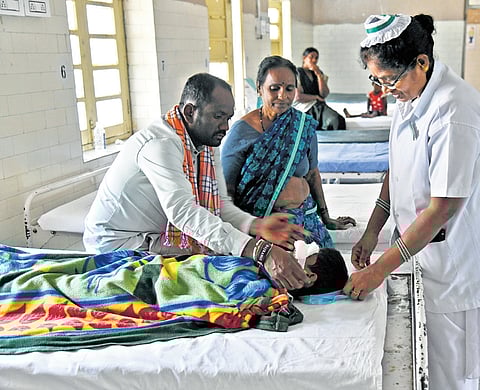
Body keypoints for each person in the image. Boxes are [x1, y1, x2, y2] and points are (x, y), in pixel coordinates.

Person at [342, 14, 480, 390]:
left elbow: (442, 208)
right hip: (425, 254)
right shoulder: (410, 97)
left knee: (459, 374)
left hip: (456, 266)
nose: (386, 89)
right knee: (436, 363)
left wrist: (379, 270)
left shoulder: (454, 109)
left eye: (390, 79)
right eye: (377, 80)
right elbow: (396, 168)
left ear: (422, 61)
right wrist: (372, 230)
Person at [83, 73, 312, 291]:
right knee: (228, 272)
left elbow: (219, 205)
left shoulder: (205, 145)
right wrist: (259, 249)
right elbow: (183, 212)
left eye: (228, 118)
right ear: (191, 111)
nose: (225, 126)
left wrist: (256, 226)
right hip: (119, 246)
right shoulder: (160, 143)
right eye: (218, 116)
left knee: (234, 263)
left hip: (152, 238)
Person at [221, 56, 356, 251]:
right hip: (269, 228)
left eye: (289, 89)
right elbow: (227, 192)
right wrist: (241, 238)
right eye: (274, 88)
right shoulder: (241, 131)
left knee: (325, 271)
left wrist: (326, 217)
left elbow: (311, 173)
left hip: (307, 220)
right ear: (259, 88)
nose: (282, 96)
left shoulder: (302, 125)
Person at [294, 47, 346, 130]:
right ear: (304, 58)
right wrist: (315, 97)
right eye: (311, 57)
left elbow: (324, 94)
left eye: (316, 58)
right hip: (305, 108)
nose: (314, 60)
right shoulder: (297, 73)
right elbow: (298, 97)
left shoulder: (319, 73)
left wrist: (318, 75)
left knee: (337, 121)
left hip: (319, 106)